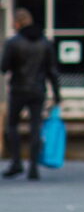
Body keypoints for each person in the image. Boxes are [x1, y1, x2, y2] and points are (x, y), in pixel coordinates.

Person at [2, 9, 61, 181]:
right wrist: (57, 94)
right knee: (36, 127)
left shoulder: (13, 43)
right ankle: (33, 167)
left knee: (12, 126)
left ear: (17, 23)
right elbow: (52, 71)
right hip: (38, 90)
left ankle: (16, 162)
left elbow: (4, 67)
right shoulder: (45, 43)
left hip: (18, 89)